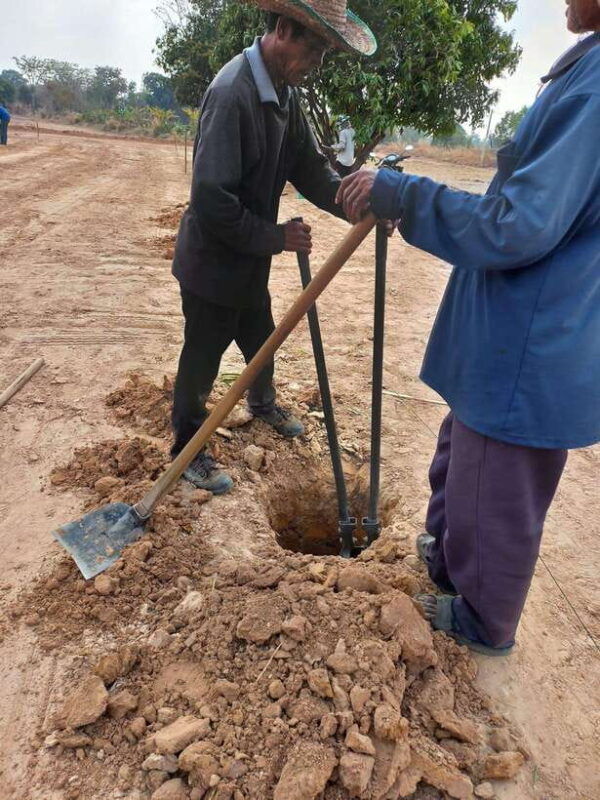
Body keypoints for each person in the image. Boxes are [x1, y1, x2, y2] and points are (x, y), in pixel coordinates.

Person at [337, 0, 600, 656]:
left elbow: (521, 224)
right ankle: (449, 564)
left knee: (495, 489)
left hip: (528, 342)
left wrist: (404, 195)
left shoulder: (596, 87)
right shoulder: (581, 72)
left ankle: (480, 621)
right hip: (515, 333)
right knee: (462, 462)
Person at [171, 0, 376, 494]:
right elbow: (211, 200)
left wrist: (355, 204)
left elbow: (309, 168)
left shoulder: (285, 94)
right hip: (212, 264)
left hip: (246, 261)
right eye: (317, 50)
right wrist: (275, 237)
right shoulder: (231, 93)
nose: (319, 64)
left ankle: (262, 404)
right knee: (203, 355)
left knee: (261, 338)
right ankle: (185, 447)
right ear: (284, 29)